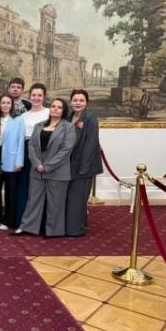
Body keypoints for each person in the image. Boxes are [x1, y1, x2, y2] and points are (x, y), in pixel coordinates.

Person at [14, 98, 76, 237]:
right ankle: (27, 227)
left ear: (64, 111)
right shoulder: (39, 125)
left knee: (55, 202)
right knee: (33, 200)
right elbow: (31, 146)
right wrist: (37, 164)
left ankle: (53, 231)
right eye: (53, 106)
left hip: (57, 171)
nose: (55, 109)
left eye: (59, 107)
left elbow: (67, 149)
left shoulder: (68, 127)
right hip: (37, 170)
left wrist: (47, 166)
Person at [66, 89, 103, 237]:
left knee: (78, 198)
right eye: (75, 100)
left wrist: (84, 167)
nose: (78, 103)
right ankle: (68, 226)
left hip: (84, 166)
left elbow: (91, 144)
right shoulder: (68, 117)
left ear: (87, 103)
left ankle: (76, 229)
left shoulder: (91, 118)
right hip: (70, 164)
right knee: (70, 197)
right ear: (70, 102)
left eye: (81, 100)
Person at [15, 83, 50, 227]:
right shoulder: (23, 116)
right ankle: (23, 221)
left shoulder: (49, 113)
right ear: (29, 96)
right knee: (25, 186)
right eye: (34, 95)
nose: (36, 98)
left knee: (41, 188)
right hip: (26, 152)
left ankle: (41, 223)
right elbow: (20, 138)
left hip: (44, 152)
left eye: (39, 95)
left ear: (44, 97)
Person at [0, 93, 24, 230]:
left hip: (11, 158)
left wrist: (19, 161)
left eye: (8, 103)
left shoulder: (18, 120)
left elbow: (20, 141)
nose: (5, 105)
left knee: (10, 190)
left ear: (12, 105)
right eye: (3, 103)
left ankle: (9, 220)